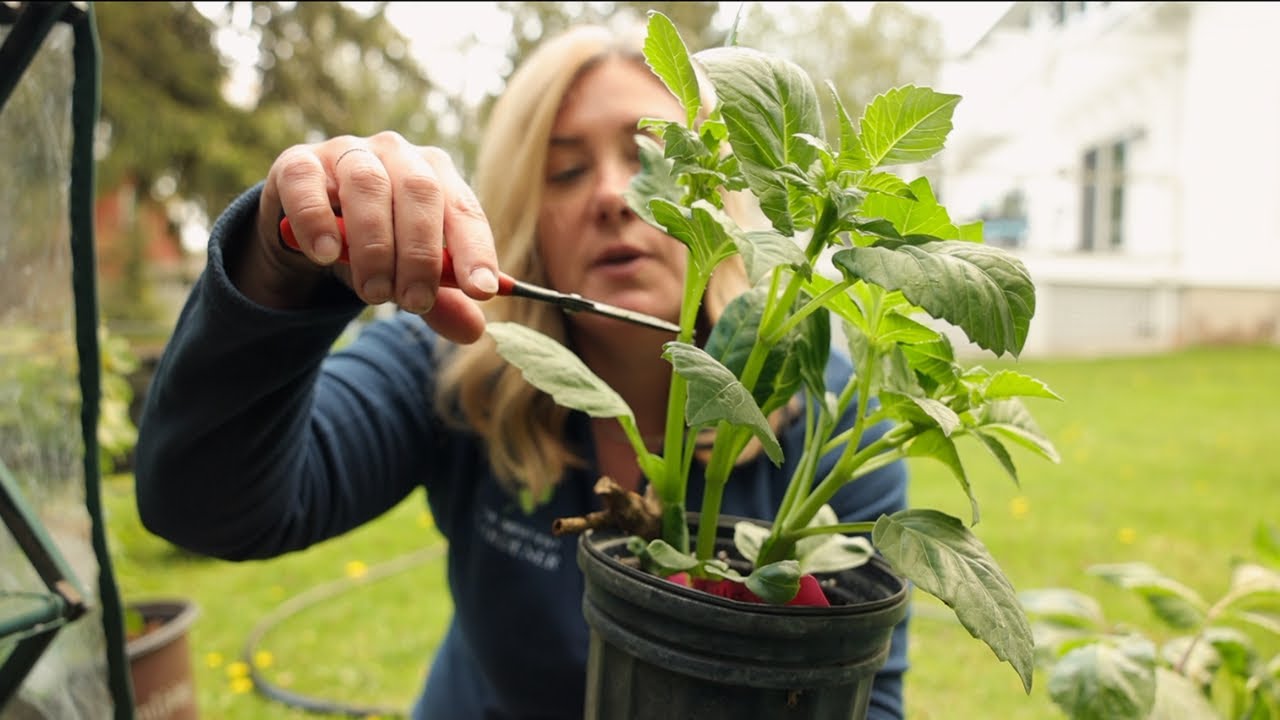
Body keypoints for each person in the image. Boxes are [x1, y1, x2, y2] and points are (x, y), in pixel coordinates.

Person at [133, 21, 910, 720]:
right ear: (523, 214)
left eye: (653, 155)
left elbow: (867, 695)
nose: (613, 194)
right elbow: (206, 506)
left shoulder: (825, 412)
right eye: (566, 171)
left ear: (723, 199)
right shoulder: (458, 365)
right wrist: (279, 265)